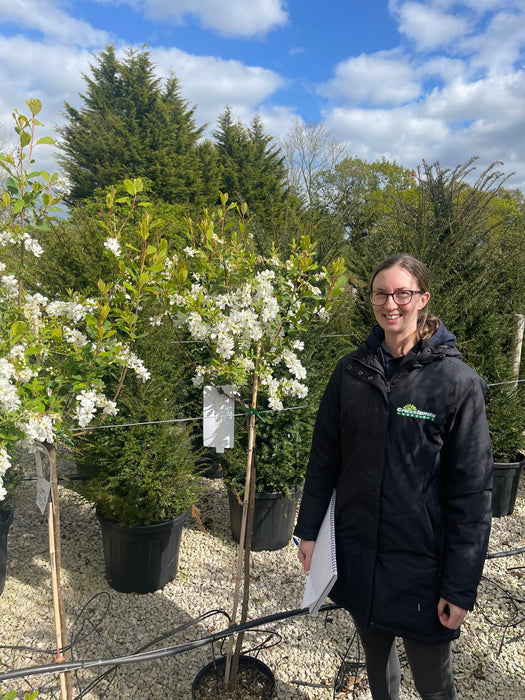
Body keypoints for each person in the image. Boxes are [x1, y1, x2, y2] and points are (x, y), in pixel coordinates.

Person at [294, 254, 493, 700]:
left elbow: (473, 494)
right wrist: (307, 530)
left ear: (423, 298)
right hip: (361, 554)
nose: (391, 304)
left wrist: (459, 588)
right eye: (381, 293)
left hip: (423, 566)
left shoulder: (456, 383)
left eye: (403, 293)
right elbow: (324, 457)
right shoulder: (351, 373)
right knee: (378, 666)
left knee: (433, 683)